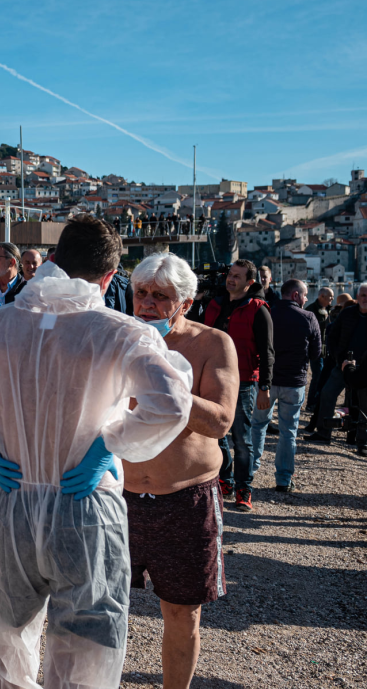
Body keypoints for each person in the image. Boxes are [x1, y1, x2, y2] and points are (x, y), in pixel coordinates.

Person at [0, 215, 192, 689]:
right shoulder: (119, 332)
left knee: (12, 637)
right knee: (88, 647)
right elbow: (172, 403)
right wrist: (109, 445)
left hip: (12, 502)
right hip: (87, 505)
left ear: (52, 261)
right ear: (110, 277)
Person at [125, 253, 237, 689]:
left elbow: (220, 422)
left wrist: (164, 384)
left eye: (161, 297)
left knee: (181, 610)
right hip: (122, 493)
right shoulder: (119, 338)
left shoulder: (212, 343)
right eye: (141, 294)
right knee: (100, 602)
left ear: (186, 302)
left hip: (186, 497)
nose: (148, 304)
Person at [202, 259, 274, 511]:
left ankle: (245, 488)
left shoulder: (258, 309)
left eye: (237, 276)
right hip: (212, 378)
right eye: (230, 275)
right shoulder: (214, 304)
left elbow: (267, 352)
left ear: (249, 282)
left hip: (244, 382)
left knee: (242, 439)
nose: (231, 279)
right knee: (216, 433)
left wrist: (264, 387)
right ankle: (226, 479)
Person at [249, 279, 320, 493]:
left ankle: (249, 472)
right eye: (306, 295)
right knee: (288, 431)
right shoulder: (308, 317)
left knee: (258, 424)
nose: (307, 299)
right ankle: (283, 479)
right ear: (296, 295)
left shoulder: (267, 312)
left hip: (266, 382)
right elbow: (316, 354)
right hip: (294, 381)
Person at [309, 283, 367, 445]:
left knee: (364, 404)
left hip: (364, 368)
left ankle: (362, 439)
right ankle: (323, 433)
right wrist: (338, 357)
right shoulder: (347, 313)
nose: (365, 298)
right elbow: (332, 335)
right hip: (342, 364)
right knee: (327, 394)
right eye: (362, 295)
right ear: (357, 296)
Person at [304, 287, 334, 416]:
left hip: (325, 348)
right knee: (317, 376)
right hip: (315, 349)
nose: (332, 299)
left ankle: (316, 402)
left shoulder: (328, 309)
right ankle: (311, 403)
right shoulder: (311, 310)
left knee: (321, 376)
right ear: (322, 296)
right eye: (330, 297)